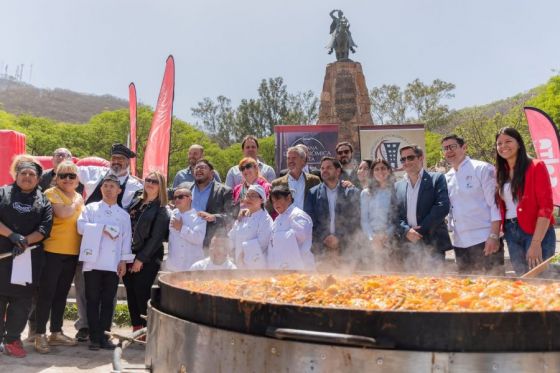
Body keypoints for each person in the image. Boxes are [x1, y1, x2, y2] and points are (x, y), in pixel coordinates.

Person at [74, 143, 142, 342]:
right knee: (83, 288)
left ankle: (103, 329)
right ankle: (85, 325)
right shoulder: (95, 173)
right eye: (114, 158)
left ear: (128, 162)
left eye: (121, 159)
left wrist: (124, 259)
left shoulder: (135, 185)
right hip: (89, 246)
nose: (116, 162)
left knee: (108, 295)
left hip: (114, 250)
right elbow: (69, 167)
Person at [0, 159, 53, 358]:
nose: (27, 177)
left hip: (27, 257)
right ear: (17, 175)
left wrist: (24, 242)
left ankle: (13, 339)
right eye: (24, 173)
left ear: (38, 179)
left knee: (21, 302)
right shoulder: (2, 193)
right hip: (2, 256)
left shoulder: (44, 201)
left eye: (32, 175)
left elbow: (44, 229)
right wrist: (11, 235)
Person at [77, 174, 132, 351]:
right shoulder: (90, 208)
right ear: (101, 189)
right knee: (92, 300)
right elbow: (80, 227)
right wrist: (103, 228)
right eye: (105, 185)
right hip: (92, 261)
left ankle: (105, 336)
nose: (108, 189)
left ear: (119, 190)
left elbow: (126, 239)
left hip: (113, 263)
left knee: (108, 300)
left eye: (112, 186)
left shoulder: (123, 215)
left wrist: (124, 261)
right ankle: (94, 337)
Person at [34, 161, 83, 354]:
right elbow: (63, 213)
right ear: (56, 177)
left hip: (72, 253)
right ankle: (39, 334)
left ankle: (56, 331)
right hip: (52, 252)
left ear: (78, 179)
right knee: (46, 294)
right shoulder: (51, 193)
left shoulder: (78, 195)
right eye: (63, 175)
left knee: (61, 295)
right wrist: (78, 203)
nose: (68, 179)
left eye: (72, 176)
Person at [494, 127, 557, 276]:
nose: (503, 146)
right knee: (523, 279)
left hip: (535, 230)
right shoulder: (499, 172)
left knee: (541, 279)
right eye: (499, 143)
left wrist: (536, 243)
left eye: (508, 141)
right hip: (511, 230)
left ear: (519, 143)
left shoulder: (536, 166)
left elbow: (545, 207)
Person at [442, 135, 504, 275]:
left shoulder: (482, 168)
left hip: (485, 239)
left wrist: (494, 236)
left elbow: (496, 205)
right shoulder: (447, 177)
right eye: (445, 148)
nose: (449, 151)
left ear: (464, 147)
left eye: (453, 146)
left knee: (495, 286)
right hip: (460, 242)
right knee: (467, 289)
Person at [123, 171, 170, 336]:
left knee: (141, 291)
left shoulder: (162, 209)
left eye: (154, 181)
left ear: (161, 186)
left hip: (148, 257)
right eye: (148, 180)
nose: (150, 183)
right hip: (130, 253)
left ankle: (147, 329)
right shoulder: (137, 202)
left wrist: (140, 259)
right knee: (130, 290)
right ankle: (136, 328)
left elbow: (156, 238)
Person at [395, 145, 451, 271]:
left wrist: (418, 231)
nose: (406, 162)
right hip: (408, 244)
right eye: (403, 159)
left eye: (410, 157)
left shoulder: (437, 178)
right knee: (410, 287)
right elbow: (394, 214)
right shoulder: (397, 186)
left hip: (433, 244)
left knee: (434, 284)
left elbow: (442, 207)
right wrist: (406, 231)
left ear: (421, 158)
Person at [304, 157, 360, 269]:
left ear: (338, 171)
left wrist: (339, 238)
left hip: (346, 248)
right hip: (322, 249)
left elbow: (355, 220)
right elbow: (309, 222)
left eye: (329, 167)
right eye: (322, 168)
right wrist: (325, 238)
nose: (324, 170)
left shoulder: (351, 192)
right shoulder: (313, 193)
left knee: (348, 284)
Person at [180, 159, 233, 251]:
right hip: (185, 240)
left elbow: (232, 215)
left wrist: (214, 217)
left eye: (203, 167)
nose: (199, 170)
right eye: (197, 168)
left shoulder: (224, 191)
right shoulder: (185, 188)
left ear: (212, 173)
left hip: (210, 242)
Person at [360, 159, 398, 270]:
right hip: (371, 241)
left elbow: (396, 217)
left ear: (389, 171)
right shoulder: (366, 193)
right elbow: (364, 220)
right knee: (374, 273)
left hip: (391, 239)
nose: (380, 171)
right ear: (372, 173)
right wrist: (372, 238)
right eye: (376, 169)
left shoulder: (395, 190)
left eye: (383, 168)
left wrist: (386, 235)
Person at [268, 185, 315, 270]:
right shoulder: (277, 220)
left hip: (303, 267)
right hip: (281, 268)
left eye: (278, 199)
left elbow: (301, 237)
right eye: (273, 201)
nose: (275, 204)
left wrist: (277, 238)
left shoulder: (298, 215)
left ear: (289, 198)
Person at [164, 184, 207, 272]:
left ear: (190, 198)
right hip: (173, 266)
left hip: (192, 266)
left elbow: (198, 239)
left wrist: (181, 228)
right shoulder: (172, 213)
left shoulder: (199, 216)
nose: (177, 199)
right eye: (175, 197)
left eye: (180, 197)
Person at [228, 185, 272, 269]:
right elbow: (232, 236)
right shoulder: (242, 216)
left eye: (253, 195)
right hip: (239, 264)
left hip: (257, 266)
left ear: (262, 200)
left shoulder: (265, 219)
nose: (249, 198)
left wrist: (243, 253)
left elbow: (263, 243)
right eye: (247, 195)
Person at [270, 146, 321, 213]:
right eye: (288, 158)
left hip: (308, 221)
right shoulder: (277, 183)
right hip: (286, 221)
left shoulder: (314, 180)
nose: (291, 161)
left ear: (303, 161)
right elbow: (271, 207)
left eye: (294, 158)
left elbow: (319, 204)